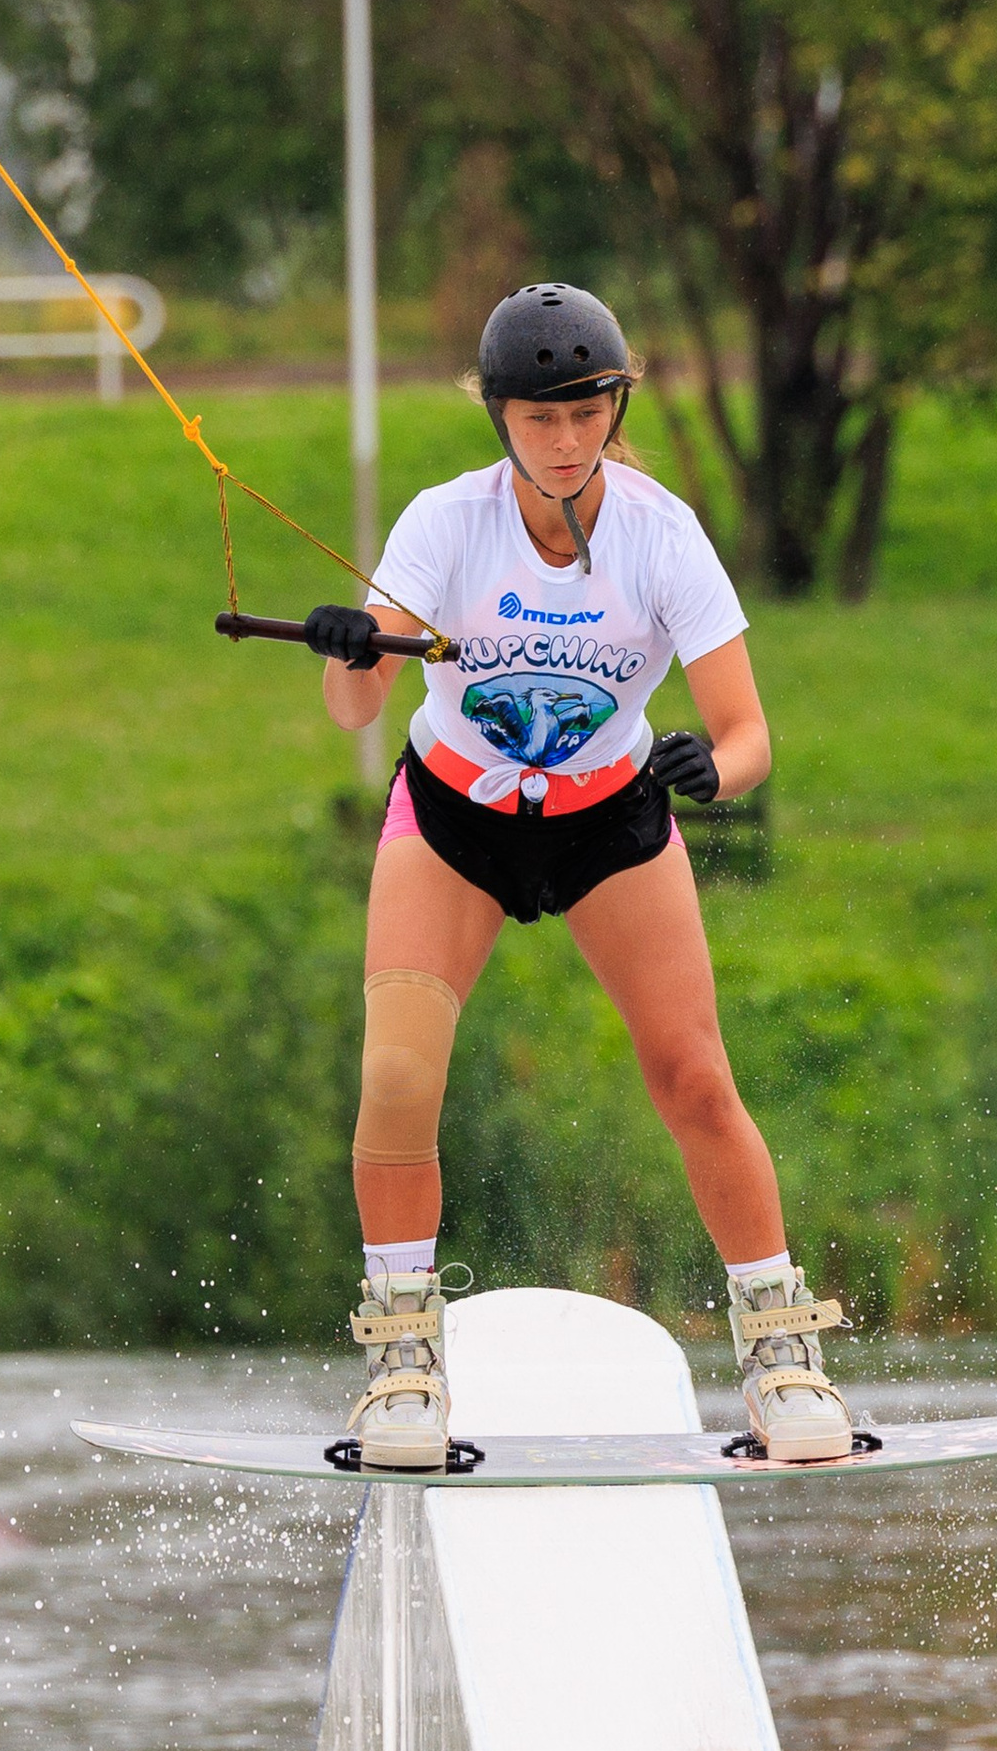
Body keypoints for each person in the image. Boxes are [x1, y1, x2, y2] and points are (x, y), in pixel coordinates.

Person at [301, 278, 856, 1473]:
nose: (562, 441)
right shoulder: (445, 525)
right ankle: (402, 1367)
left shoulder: (662, 534)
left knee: (695, 1078)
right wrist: (354, 649)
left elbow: (749, 734)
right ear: (497, 415)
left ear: (615, 406)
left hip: (612, 823)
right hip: (454, 819)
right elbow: (354, 701)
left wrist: (715, 767)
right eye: (536, 417)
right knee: (396, 1075)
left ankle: (781, 1354)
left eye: (584, 413)